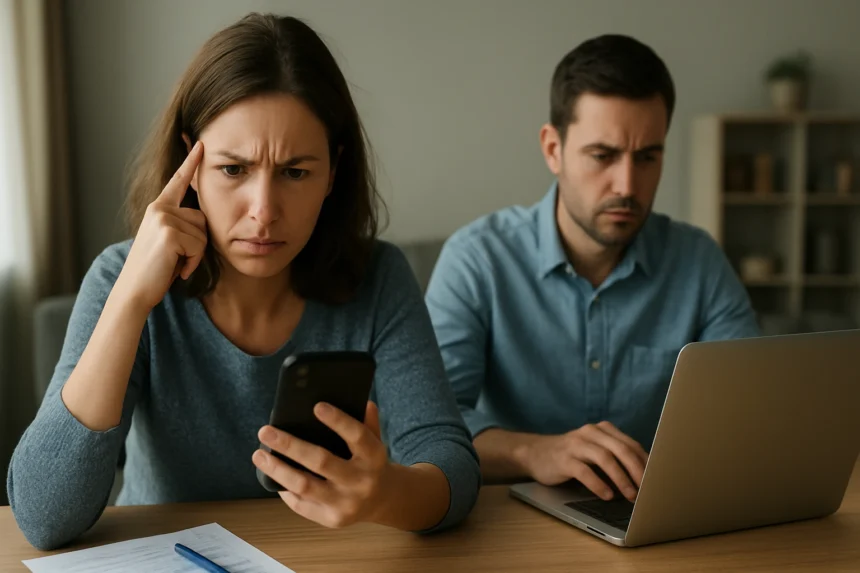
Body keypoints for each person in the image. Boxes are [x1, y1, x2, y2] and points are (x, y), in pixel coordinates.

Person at [8, 13, 480, 550]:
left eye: (295, 172)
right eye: (233, 170)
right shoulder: (121, 278)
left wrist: (385, 494)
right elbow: (43, 518)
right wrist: (131, 301)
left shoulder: (378, 279)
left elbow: (452, 467)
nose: (263, 212)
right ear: (190, 162)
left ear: (333, 172)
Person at [426, 34, 759, 503]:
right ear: (552, 149)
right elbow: (429, 425)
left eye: (647, 157)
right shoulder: (478, 259)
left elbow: (751, 407)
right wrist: (534, 452)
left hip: (659, 513)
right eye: (603, 156)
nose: (627, 184)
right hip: (513, 519)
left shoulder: (697, 260)